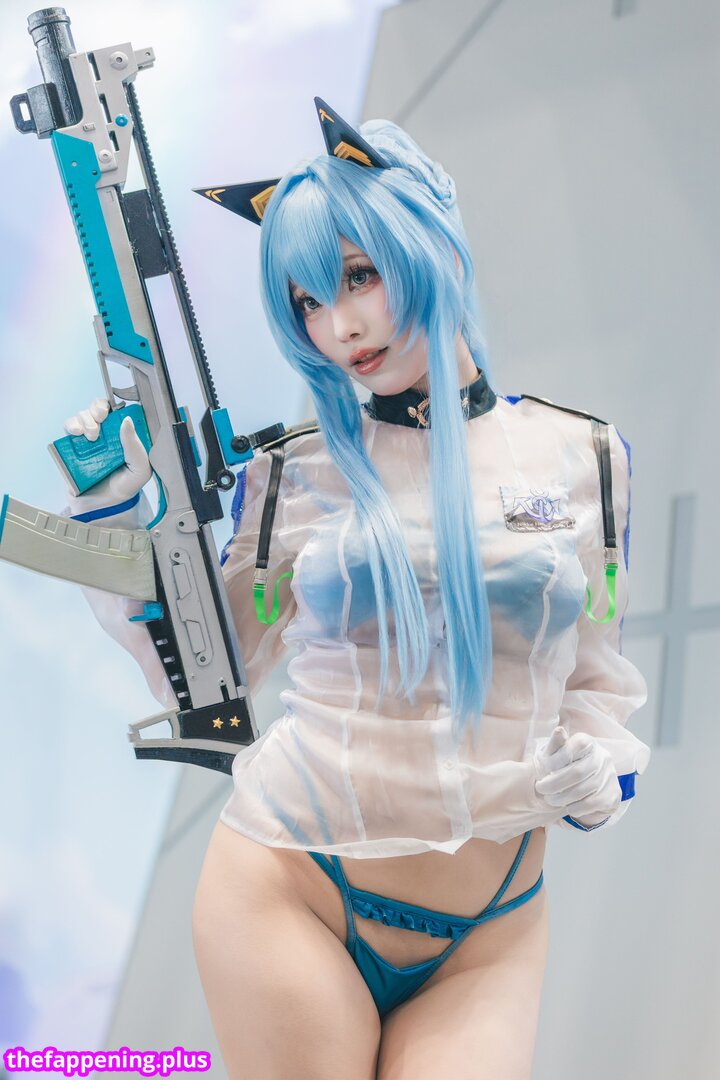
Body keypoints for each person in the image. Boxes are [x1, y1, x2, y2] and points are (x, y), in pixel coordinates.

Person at [62, 105, 650, 1080]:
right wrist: (117, 521)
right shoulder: (292, 476)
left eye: (359, 276)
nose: (338, 326)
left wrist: (602, 773)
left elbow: (599, 677)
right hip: (294, 887)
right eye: (306, 301)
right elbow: (205, 675)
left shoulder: (585, 457)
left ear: (433, 239)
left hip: (494, 924)